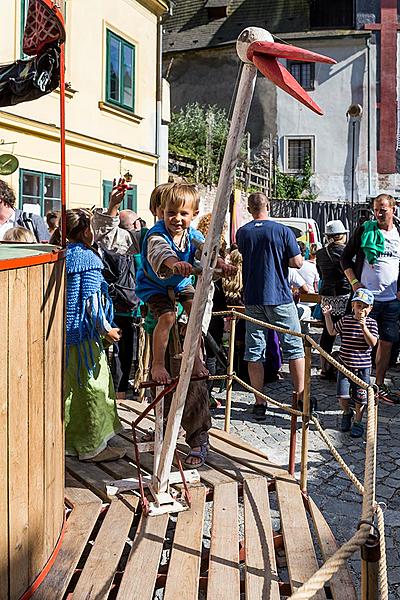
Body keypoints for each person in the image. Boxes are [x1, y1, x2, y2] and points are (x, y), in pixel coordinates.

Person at [136, 182, 234, 384]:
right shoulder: (157, 234)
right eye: (171, 213)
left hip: (180, 283)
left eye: (183, 214)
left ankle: (195, 358)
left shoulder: (193, 235)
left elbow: (207, 252)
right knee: (168, 317)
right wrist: (175, 263)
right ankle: (157, 364)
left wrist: (222, 265)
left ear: (194, 214)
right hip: (154, 286)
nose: (177, 219)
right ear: (162, 212)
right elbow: (161, 252)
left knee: (196, 315)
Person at [236, 192, 305, 421]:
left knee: (255, 351)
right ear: (269, 205)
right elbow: (296, 263)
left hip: (253, 297)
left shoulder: (242, 233)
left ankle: (259, 401)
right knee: (294, 347)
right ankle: (299, 397)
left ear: (249, 208)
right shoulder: (283, 231)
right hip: (280, 296)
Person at [64, 208, 125, 462]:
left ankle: (69, 442)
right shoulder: (88, 260)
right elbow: (91, 301)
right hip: (85, 336)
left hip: (66, 337)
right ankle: (92, 447)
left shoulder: (63, 256)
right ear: (86, 230)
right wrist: (106, 329)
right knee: (93, 387)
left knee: (70, 390)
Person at [342, 194, 400, 403]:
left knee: (386, 343)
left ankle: (379, 385)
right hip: (366, 299)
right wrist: (355, 283)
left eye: (383, 209)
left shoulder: (398, 232)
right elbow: (345, 258)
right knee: (361, 342)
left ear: (393, 209)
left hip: (391, 299)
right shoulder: (365, 230)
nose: (378, 213)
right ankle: (358, 385)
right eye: (376, 209)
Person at [323, 288, 378, 438]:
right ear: (353, 306)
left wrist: (364, 327)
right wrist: (327, 315)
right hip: (345, 366)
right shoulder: (346, 320)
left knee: (361, 397)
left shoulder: (372, 323)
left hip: (362, 368)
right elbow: (332, 331)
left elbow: (372, 343)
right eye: (358, 305)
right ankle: (347, 412)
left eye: (364, 307)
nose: (361, 310)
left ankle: (358, 422)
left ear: (370, 309)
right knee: (342, 395)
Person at [316, 220, 351, 379]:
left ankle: (325, 368)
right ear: (342, 235)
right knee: (346, 333)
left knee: (327, 333)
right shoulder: (348, 252)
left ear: (328, 236)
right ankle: (344, 368)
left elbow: (321, 274)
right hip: (345, 296)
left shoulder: (321, 253)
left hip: (327, 297)